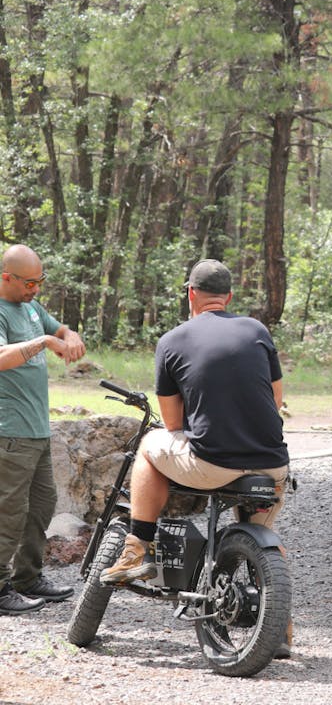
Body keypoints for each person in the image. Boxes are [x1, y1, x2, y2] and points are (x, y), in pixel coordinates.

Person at [101, 259, 289, 586]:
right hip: (272, 466)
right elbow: (275, 402)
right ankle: (273, 606)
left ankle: (136, 547)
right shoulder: (258, 331)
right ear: (228, 297)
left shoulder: (172, 341)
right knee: (262, 531)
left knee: (148, 445)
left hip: (213, 465)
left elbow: (172, 423)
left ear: (191, 294)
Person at [0, 244, 86, 615]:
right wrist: (44, 342)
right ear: (7, 278)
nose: (36, 289)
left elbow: (59, 330)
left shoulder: (32, 307)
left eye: (40, 282)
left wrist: (70, 336)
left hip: (37, 431)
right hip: (10, 432)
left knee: (42, 505)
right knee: (9, 512)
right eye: (30, 283)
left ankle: (27, 577)